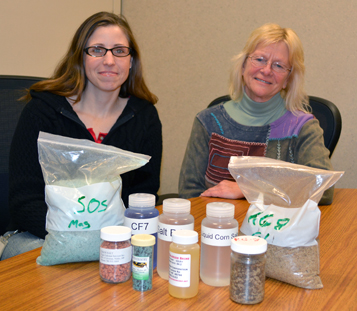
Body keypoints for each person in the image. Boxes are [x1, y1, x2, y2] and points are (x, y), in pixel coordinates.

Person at [1, 12, 162, 260]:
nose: (109, 60)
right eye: (97, 50)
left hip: (116, 241)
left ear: (131, 60)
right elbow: (24, 199)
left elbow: (142, 196)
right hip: (39, 236)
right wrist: (77, 239)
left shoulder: (144, 117)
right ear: (80, 57)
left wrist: (107, 243)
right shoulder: (43, 112)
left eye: (119, 51)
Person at [179, 23, 333, 204]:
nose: (267, 70)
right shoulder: (207, 122)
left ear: (288, 80)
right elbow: (188, 193)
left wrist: (249, 189)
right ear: (243, 66)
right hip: (215, 227)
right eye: (259, 59)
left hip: (273, 230)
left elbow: (325, 190)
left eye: (279, 65)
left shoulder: (303, 128)